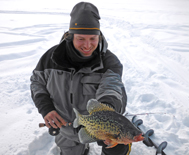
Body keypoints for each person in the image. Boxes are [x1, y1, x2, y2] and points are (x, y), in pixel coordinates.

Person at [30, 2, 131, 155]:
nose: (87, 45)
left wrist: (105, 119)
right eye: (81, 38)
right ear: (70, 36)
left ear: (99, 36)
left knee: (117, 149)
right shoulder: (51, 58)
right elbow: (37, 82)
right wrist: (46, 109)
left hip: (98, 129)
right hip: (66, 129)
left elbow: (112, 88)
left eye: (93, 38)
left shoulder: (110, 62)